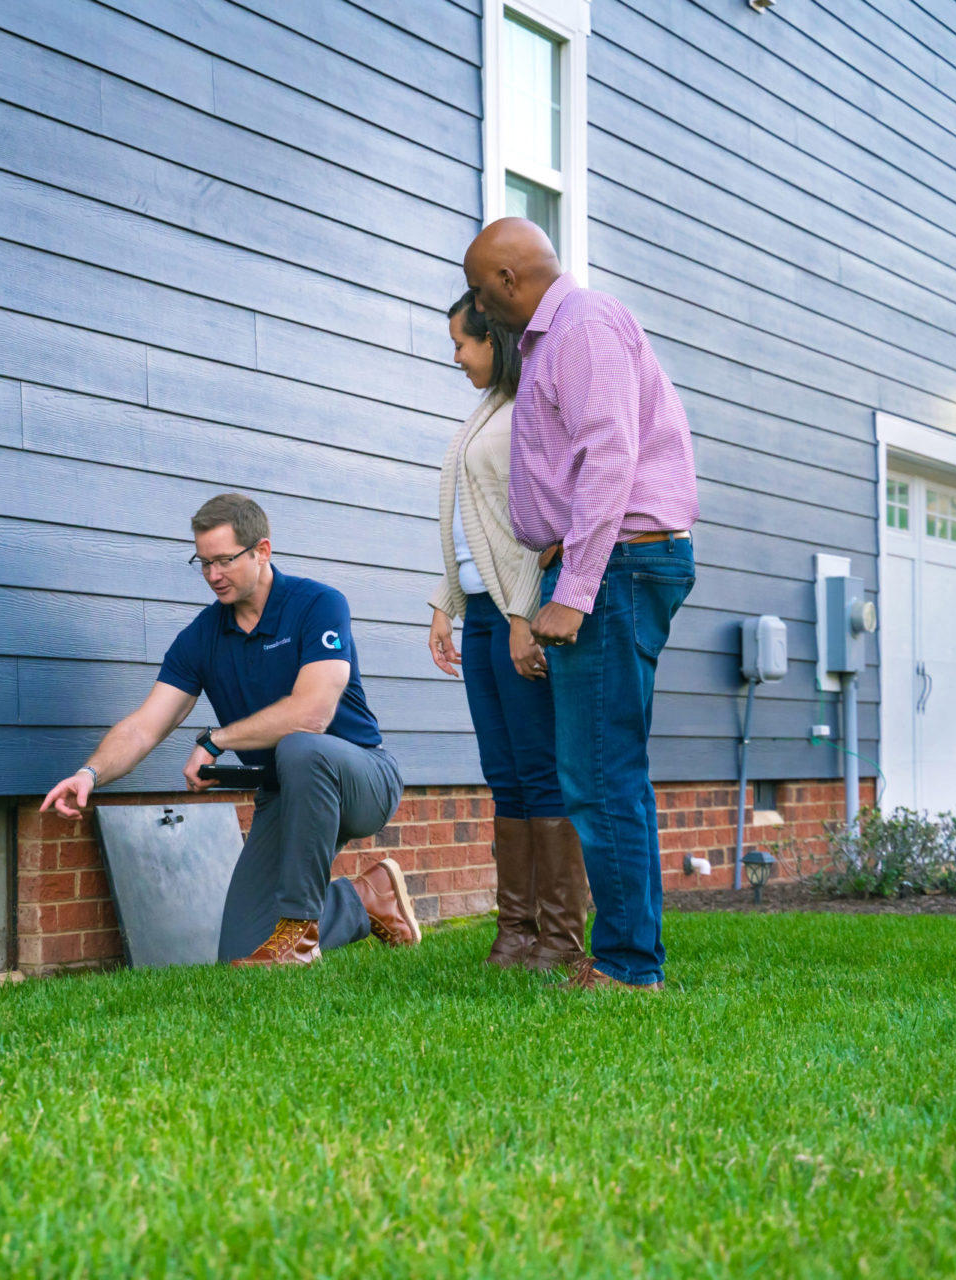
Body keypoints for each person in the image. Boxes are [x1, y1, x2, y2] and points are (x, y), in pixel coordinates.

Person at [462, 217, 700, 992]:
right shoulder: (551, 339)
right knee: (594, 772)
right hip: (609, 564)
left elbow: (610, 458)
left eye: (478, 289)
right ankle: (626, 956)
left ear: (504, 281)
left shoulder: (582, 323)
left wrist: (574, 591)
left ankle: (631, 968)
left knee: (601, 774)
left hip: (619, 567)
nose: (477, 309)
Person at [41, 494, 421, 967]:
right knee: (241, 955)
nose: (213, 575)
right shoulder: (202, 637)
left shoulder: (318, 604)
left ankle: (300, 937)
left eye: (224, 560)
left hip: (360, 778)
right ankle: (365, 898)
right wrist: (89, 774)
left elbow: (312, 715)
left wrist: (215, 740)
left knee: (303, 747)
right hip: (284, 795)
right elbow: (145, 725)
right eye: (203, 563)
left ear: (262, 550)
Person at [428, 290, 588, 971]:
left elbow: (534, 526)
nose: (456, 356)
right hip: (483, 612)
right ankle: (516, 933)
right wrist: (445, 598)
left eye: (463, 343)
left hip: (518, 610)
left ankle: (558, 938)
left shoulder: (530, 408)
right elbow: (474, 518)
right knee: (505, 775)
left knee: (539, 771)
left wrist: (525, 613)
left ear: (494, 338)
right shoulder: (488, 408)